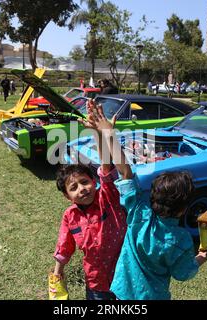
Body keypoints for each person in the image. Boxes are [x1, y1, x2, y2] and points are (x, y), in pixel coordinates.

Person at [52, 100, 133, 300]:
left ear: (94, 181)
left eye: (84, 182)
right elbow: (64, 246)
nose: (82, 189)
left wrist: (99, 133)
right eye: (74, 187)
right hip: (96, 282)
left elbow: (106, 164)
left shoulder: (107, 196)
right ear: (67, 196)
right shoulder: (70, 216)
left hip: (124, 276)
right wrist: (57, 270)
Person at [109, 170, 207, 300]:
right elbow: (182, 273)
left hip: (123, 292)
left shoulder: (139, 214)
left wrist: (112, 149)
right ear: (183, 208)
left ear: (153, 196)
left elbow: (126, 177)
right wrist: (203, 256)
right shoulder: (181, 240)